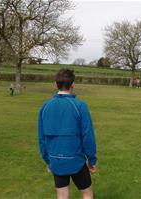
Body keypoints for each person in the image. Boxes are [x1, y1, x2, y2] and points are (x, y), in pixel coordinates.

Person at [38, 69, 97, 199]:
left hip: (58, 160)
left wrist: (48, 160)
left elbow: (41, 139)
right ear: (73, 84)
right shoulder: (80, 106)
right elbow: (88, 136)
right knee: (87, 193)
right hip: (75, 160)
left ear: (55, 84)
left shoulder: (45, 106)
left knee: (62, 195)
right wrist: (92, 160)